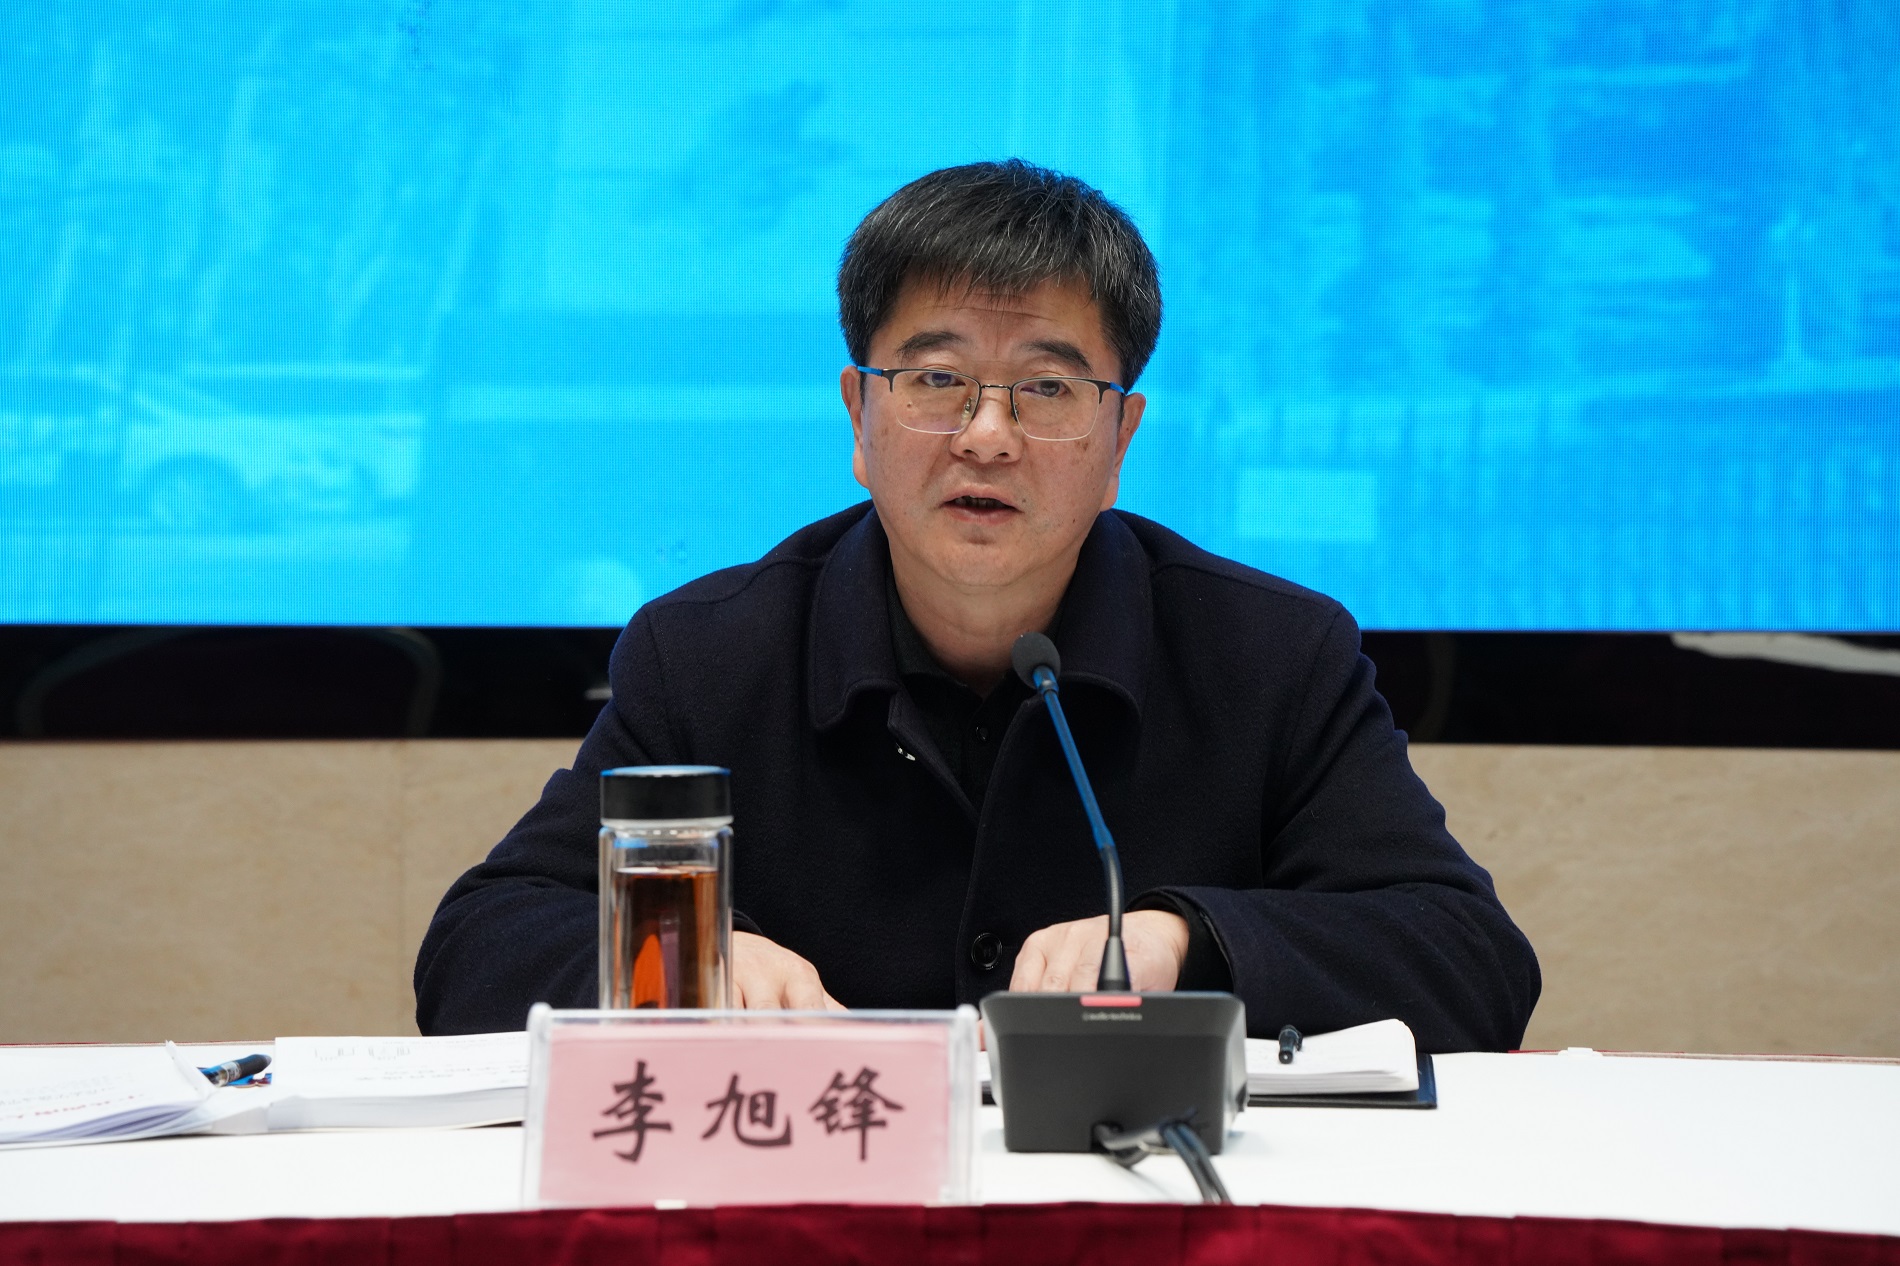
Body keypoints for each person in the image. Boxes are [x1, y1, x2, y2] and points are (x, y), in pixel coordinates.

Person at [415, 160, 1540, 1051]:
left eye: (1047, 387)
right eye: (937, 380)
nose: (987, 435)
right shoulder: (710, 654)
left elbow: (1469, 960)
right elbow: (478, 948)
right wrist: (685, 956)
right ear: (860, 417)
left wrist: (1187, 942)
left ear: (1120, 438)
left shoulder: (1270, 654)